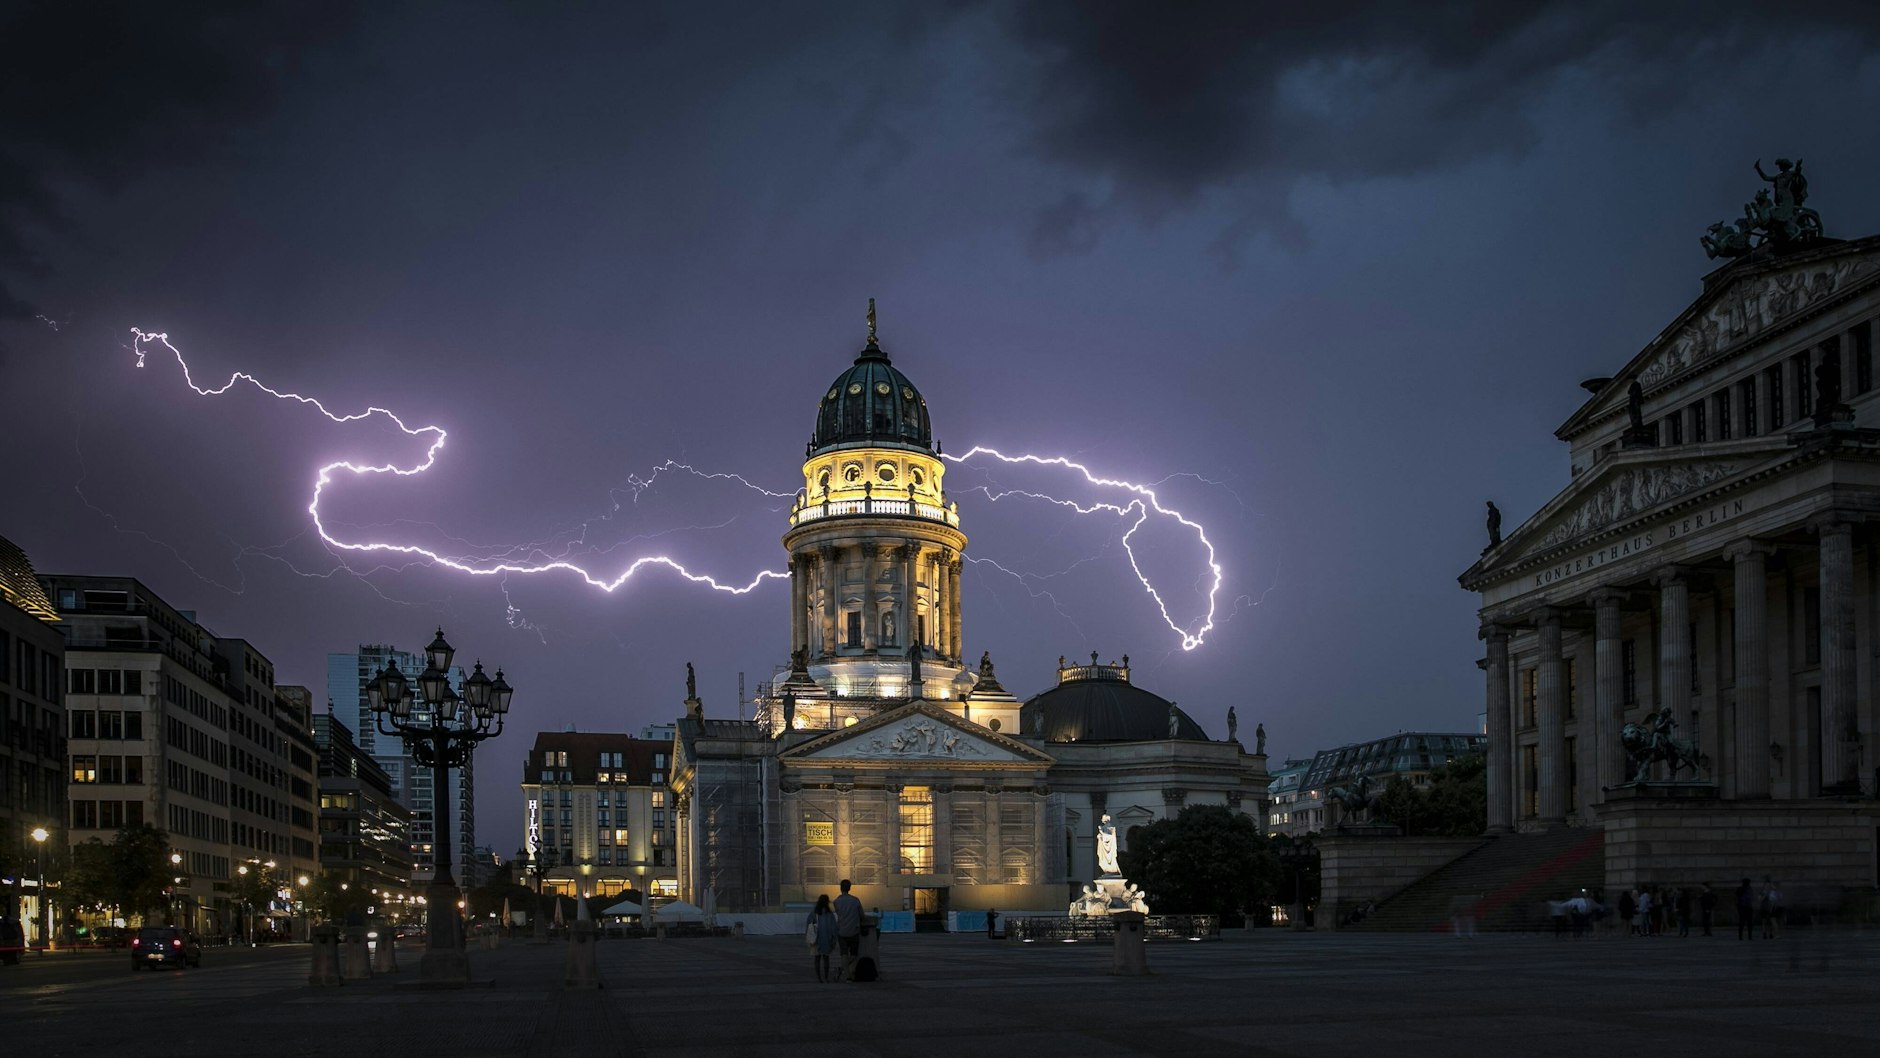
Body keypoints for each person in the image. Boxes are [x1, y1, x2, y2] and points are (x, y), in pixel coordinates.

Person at [832, 878, 863, 982]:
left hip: (841, 931)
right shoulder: (855, 900)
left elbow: (839, 914)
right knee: (854, 955)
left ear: (840, 888)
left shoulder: (836, 902)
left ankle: (847, 976)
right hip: (854, 931)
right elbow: (861, 915)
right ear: (850, 888)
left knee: (844, 954)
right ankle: (843, 970)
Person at [807, 894, 837, 983]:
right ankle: (826, 977)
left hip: (815, 940)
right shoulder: (830, 914)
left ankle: (819, 978)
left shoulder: (814, 912)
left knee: (817, 959)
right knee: (826, 959)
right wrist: (834, 940)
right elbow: (834, 928)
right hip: (827, 940)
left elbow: (808, 926)